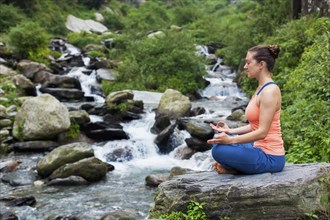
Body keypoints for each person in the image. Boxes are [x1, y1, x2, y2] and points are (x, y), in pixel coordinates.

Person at [207, 45, 285, 174]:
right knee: (220, 139)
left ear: (261, 64)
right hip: (258, 147)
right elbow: (254, 126)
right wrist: (230, 131)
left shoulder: (269, 91)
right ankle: (233, 167)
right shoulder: (261, 88)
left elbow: (262, 132)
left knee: (218, 150)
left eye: (248, 62)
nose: (245, 66)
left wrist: (231, 139)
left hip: (271, 157)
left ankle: (233, 169)